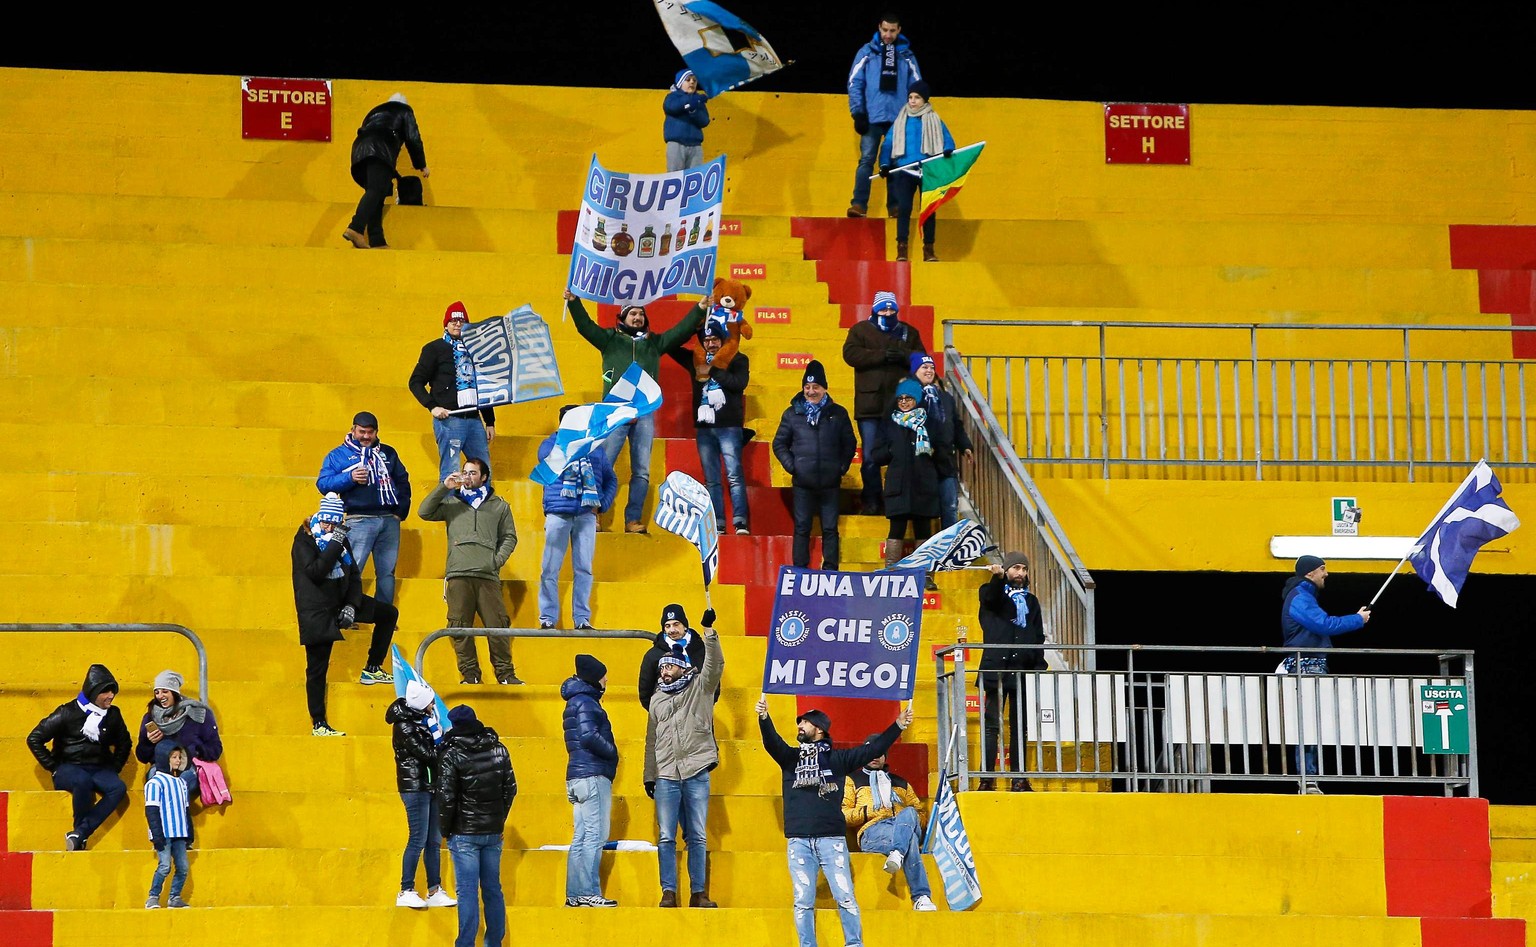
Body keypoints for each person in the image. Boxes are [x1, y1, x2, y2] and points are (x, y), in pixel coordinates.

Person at [756, 698, 914, 947]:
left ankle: (854, 944)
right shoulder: (791, 758)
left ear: (819, 729)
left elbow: (871, 750)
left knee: (846, 897)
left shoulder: (837, 760)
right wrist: (764, 718)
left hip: (832, 840)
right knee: (802, 902)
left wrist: (897, 725)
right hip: (799, 841)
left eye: (805, 722)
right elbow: (771, 743)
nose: (800, 726)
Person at [564, 289, 707, 533]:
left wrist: (701, 308)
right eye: (633, 313)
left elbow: (681, 330)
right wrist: (574, 302)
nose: (638, 317)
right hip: (614, 412)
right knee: (604, 464)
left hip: (644, 414)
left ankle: (632, 519)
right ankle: (593, 514)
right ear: (622, 317)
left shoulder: (655, 343)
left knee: (641, 470)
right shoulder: (609, 339)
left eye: (641, 313)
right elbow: (585, 326)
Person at [291, 492, 400, 736]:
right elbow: (317, 571)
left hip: (341, 601)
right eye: (326, 522)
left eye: (334, 522)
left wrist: (352, 605)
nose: (329, 526)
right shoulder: (304, 540)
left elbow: (353, 574)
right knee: (317, 669)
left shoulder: (340, 539)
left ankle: (372, 667)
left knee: (388, 614)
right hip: (317, 609)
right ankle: (318, 722)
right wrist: (335, 541)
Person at [643, 606, 724, 908]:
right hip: (665, 774)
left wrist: (710, 634)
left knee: (698, 836)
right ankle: (668, 891)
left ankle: (698, 893)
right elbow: (651, 740)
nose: (663, 671)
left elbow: (715, 666)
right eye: (661, 668)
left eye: (668, 666)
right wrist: (648, 775)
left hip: (696, 771)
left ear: (681, 666)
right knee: (666, 837)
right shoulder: (655, 699)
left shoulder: (700, 688)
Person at [418, 456, 523, 685]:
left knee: (498, 627)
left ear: (484, 477)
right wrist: (444, 487)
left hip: (488, 576)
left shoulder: (500, 506)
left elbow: (509, 537)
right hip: (458, 575)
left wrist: (496, 561)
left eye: (473, 473)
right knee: (459, 627)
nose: (467, 477)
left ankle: (506, 675)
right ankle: (470, 675)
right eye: (465, 472)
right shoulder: (451, 503)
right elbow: (424, 512)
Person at [1281, 554, 1371, 793]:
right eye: (1323, 569)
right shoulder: (1300, 598)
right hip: (1307, 666)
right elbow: (1324, 624)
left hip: (1310, 666)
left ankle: (1309, 778)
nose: (1326, 574)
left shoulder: (1304, 596)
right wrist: (1358, 619)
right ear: (1310, 573)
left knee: (1312, 724)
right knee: (1308, 724)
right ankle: (1307, 780)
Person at [26, 663, 132, 851]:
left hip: (99, 767)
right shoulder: (67, 712)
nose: (111, 696)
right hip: (69, 767)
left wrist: (114, 768)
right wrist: (53, 766)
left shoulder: (113, 714)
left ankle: (80, 833)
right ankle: (79, 836)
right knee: (82, 780)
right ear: (93, 692)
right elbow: (34, 738)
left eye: (113, 691)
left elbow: (125, 743)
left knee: (118, 787)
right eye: (105, 692)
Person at [437, 704, 517, 947]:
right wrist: (498, 820)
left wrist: (445, 830)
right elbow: (510, 788)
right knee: (493, 889)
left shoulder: (451, 753)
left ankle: (465, 943)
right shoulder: (499, 749)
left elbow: (446, 797)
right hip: (493, 832)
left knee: (468, 891)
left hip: (464, 833)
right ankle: (494, 942)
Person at [315, 410, 412, 608]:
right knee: (352, 568)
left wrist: (399, 512)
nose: (366, 436)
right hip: (358, 519)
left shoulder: (389, 453)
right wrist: (349, 478)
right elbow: (323, 484)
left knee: (387, 572)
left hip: (388, 519)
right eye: (362, 432)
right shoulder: (338, 455)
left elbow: (402, 481)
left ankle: (384, 614)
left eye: (370, 432)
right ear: (352, 430)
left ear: (377, 432)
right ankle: (344, 612)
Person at [842, 291, 927, 515]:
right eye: (883, 309)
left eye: (891, 310)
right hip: (869, 406)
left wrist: (902, 355)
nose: (888, 313)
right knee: (869, 457)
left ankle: (895, 500)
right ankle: (871, 500)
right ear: (874, 310)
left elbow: (922, 360)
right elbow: (850, 355)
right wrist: (881, 355)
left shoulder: (909, 332)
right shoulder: (859, 330)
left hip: (900, 406)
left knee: (900, 456)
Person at [537, 405, 618, 630]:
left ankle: (582, 619)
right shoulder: (550, 445)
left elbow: (611, 478)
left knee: (584, 569)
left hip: (586, 515)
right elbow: (547, 460)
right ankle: (547, 618)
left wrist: (602, 504)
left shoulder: (596, 448)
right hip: (557, 514)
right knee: (550, 568)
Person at [667, 320, 752, 534]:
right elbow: (670, 346)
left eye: (714, 339)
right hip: (704, 428)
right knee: (711, 479)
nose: (711, 344)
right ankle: (719, 523)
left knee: (734, 476)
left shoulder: (738, 359)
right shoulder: (695, 361)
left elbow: (738, 383)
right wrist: (691, 328)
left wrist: (713, 370)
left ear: (722, 340)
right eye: (706, 340)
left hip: (729, 426)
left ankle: (740, 521)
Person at [772, 359, 857, 571]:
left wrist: (841, 467)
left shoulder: (838, 413)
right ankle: (800, 570)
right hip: (803, 482)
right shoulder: (791, 414)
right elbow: (779, 443)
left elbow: (850, 443)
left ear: (824, 388)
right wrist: (793, 466)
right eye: (807, 387)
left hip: (830, 482)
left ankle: (830, 570)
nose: (811, 392)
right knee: (802, 527)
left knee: (830, 528)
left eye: (816, 387)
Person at [977, 553, 1046, 792]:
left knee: (1020, 728)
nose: (1021, 573)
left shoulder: (1031, 601)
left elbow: (1038, 636)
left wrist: (1038, 665)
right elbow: (991, 599)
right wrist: (996, 578)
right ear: (1006, 570)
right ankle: (986, 779)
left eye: (1024, 569)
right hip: (996, 670)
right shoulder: (990, 591)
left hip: (1021, 672)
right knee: (991, 727)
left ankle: (1019, 779)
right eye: (1016, 568)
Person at [842, 740, 938, 911]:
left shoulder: (901, 782)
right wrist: (869, 811)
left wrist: (907, 821)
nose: (874, 756)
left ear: (885, 757)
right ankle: (921, 897)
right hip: (873, 831)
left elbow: (921, 814)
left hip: (903, 826)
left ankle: (897, 852)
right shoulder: (852, 780)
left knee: (909, 812)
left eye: (879, 752)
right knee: (911, 842)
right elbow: (843, 815)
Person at [409, 301, 499, 482]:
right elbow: (415, 382)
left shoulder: (475, 351)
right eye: (453, 321)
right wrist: (432, 407)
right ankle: (448, 509)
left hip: (474, 420)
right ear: (446, 324)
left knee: (484, 471)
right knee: (451, 471)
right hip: (449, 420)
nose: (458, 324)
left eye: (462, 321)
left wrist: (489, 421)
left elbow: (481, 386)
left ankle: (483, 509)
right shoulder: (433, 349)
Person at [386, 680, 456, 910]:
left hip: (431, 785)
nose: (434, 705)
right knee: (417, 839)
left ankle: (434, 889)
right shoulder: (405, 726)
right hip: (414, 787)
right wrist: (444, 743)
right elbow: (427, 754)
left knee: (433, 841)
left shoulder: (424, 721)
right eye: (431, 702)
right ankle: (406, 889)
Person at [846, 13, 923, 219]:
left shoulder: (906, 56)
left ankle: (895, 207)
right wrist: (858, 113)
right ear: (879, 28)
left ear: (899, 30)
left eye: (892, 31)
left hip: (898, 120)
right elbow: (855, 83)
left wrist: (913, 116)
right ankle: (859, 205)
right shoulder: (867, 52)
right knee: (867, 160)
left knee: (896, 163)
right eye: (885, 30)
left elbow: (916, 88)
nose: (888, 35)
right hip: (872, 117)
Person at [562, 653, 619, 907]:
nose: (607, 679)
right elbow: (588, 736)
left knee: (581, 837)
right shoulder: (587, 702)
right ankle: (587, 891)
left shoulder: (575, 701)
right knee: (595, 836)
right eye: (604, 674)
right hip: (592, 775)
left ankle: (575, 894)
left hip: (576, 776)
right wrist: (612, 751)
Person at [870, 377, 941, 581]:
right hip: (898, 485)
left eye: (908, 398)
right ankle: (890, 573)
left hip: (923, 483)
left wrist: (934, 452)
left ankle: (924, 575)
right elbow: (876, 455)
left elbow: (943, 450)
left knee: (923, 530)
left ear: (917, 399)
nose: (903, 402)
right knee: (896, 529)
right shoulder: (889, 424)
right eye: (900, 398)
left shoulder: (931, 423)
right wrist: (891, 450)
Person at [878, 80, 955, 263]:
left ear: (925, 100)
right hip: (905, 171)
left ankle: (929, 249)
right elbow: (888, 144)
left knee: (928, 210)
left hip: (928, 169)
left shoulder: (934, 118)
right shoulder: (901, 120)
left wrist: (948, 149)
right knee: (903, 208)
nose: (912, 101)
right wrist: (884, 164)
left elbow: (947, 139)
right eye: (910, 97)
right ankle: (902, 249)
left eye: (917, 97)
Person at [344, 92, 428, 249]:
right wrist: (421, 164)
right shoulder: (405, 110)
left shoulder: (374, 112)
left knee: (377, 191)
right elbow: (413, 138)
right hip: (379, 149)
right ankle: (356, 227)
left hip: (359, 151)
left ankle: (377, 240)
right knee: (376, 190)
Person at [908, 353, 973, 528]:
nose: (929, 370)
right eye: (924, 367)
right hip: (922, 462)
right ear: (915, 372)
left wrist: (965, 446)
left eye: (931, 367)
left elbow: (956, 425)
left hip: (945, 460)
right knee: (923, 511)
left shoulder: (946, 398)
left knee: (950, 508)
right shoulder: (909, 396)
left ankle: (949, 551)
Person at [143, 739, 198, 909]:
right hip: (164, 833)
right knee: (164, 866)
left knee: (182, 867)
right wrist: (157, 835)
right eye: (173, 757)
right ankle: (153, 897)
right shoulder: (155, 783)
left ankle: (175, 897)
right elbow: (151, 811)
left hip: (179, 834)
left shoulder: (182, 783)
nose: (178, 760)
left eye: (179, 757)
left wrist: (189, 834)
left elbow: (185, 811)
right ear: (163, 758)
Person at [637, 603, 721, 710]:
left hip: (699, 717)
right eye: (667, 626)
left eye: (676, 624)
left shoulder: (701, 649)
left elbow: (714, 681)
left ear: (685, 625)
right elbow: (645, 693)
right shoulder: (653, 655)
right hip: (667, 721)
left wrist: (703, 708)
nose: (672, 630)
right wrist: (662, 713)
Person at [134, 669, 222, 768]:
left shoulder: (198, 713)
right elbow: (142, 757)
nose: (160, 696)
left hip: (190, 766)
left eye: (165, 691)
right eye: (157, 692)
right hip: (161, 767)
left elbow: (215, 749)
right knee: (157, 780)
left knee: (185, 778)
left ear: (174, 692)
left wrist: (194, 751)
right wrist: (148, 743)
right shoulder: (150, 717)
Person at [663, 68, 710, 172]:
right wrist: (689, 101)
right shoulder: (672, 97)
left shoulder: (697, 100)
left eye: (694, 80)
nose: (692, 82)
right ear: (680, 82)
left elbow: (705, 121)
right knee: (674, 176)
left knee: (695, 177)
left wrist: (693, 111)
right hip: (676, 144)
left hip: (696, 145)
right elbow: (672, 107)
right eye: (688, 80)